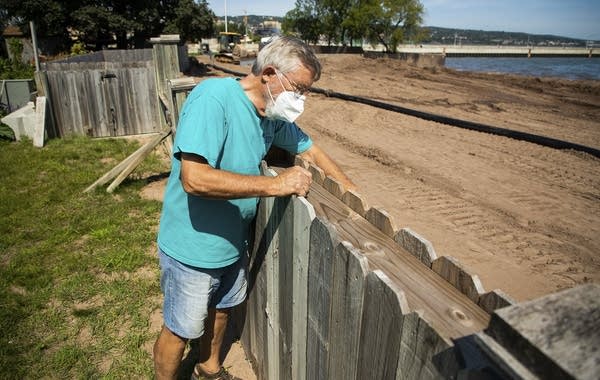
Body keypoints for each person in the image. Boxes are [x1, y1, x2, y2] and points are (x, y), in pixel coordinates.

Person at [153, 36, 356, 380]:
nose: (301, 99)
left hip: (232, 243)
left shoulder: (271, 115)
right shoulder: (213, 98)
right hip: (192, 245)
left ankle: (209, 367)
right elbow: (194, 179)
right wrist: (275, 185)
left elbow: (311, 151)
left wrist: (352, 193)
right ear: (270, 73)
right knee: (180, 328)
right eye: (299, 89)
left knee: (220, 311)